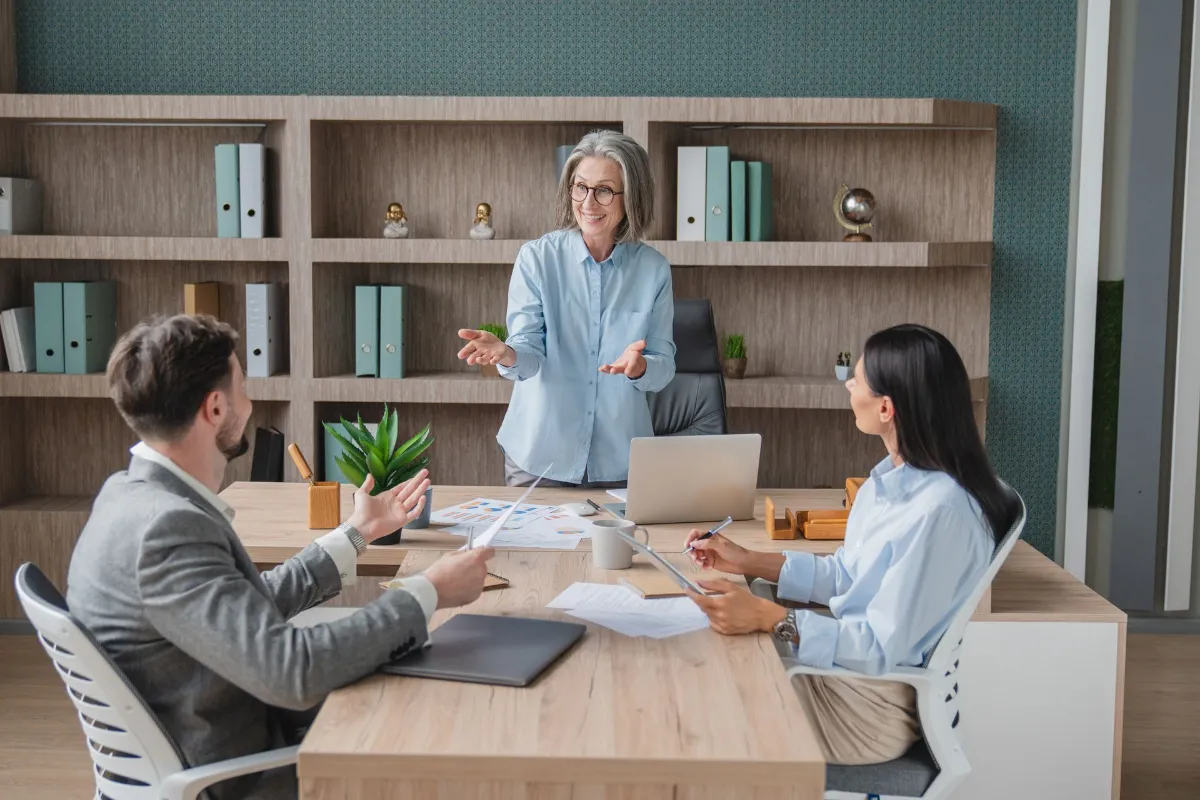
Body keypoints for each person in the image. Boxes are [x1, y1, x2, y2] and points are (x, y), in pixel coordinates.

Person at [66, 314, 495, 800]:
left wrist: (358, 532)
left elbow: (243, 607)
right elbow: (293, 671)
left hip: (219, 737)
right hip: (238, 776)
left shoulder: (127, 497)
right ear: (214, 408)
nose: (249, 404)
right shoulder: (168, 530)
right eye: (242, 388)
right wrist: (430, 590)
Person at [683, 324, 1021, 766]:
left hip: (866, 707)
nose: (848, 385)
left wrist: (775, 619)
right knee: (706, 669)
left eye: (857, 379)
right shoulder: (893, 479)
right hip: (846, 672)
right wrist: (748, 561)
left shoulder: (942, 513)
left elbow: (882, 648)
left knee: (700, 702)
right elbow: (847, 576)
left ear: (886, 407)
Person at [456, 129, 676, 488]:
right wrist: (507, 354)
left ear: (631, 197)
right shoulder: (537, 259)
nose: (588, 203)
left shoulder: (653, 270)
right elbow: (529, 352)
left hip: (621, 464)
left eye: (604, 190)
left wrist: (640, 368)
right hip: (540, 459)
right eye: (580, 187)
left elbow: (664, 366)